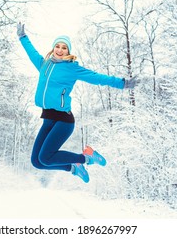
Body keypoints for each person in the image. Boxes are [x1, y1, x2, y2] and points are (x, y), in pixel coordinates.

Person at [17, 22, 136, 183]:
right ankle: (74, 168)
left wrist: (121, 83)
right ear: (53, 48)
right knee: (37, 162)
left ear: (68, 51)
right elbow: (31, 52)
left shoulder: (72, 68)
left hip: (63, 121)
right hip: (48, 119)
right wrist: (22, 37)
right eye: (57, 46)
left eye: (64, 47)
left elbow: (96, 77)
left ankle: (87, 157)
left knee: (46, 157)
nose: (60, 50)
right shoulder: (44, 65)